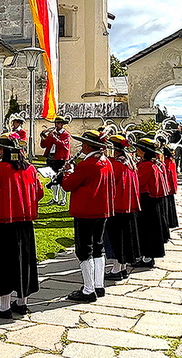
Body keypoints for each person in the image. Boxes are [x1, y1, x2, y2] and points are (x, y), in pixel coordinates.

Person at [0, 131, 43, 318]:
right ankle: (22, 302)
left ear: (3, 151)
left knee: (3, 262)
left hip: (3, 222)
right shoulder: (30, 169)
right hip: (25, 223)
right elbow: (39, 193)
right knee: (24, 261)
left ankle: (4, 307)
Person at [60, 127, 114, 303]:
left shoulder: (87, 164)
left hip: (86, 212)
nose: (82, 146)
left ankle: (88, 289)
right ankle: (99, 285)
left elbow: (68, 185)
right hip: (102, 210)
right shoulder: (106, 162)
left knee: (84, 250)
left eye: (84, 144)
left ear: (90, 147)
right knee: (98, 247)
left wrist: (68, 171)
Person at [103, 134, 141, 281]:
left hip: (118, 206)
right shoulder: (129, 164)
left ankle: (117, 268)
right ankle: (122, 267)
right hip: (129, 206)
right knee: (125, 238)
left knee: (116, 238)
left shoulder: (116, 165)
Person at [133, 139, 167, 269]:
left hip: (147, 200)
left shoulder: (147, 165)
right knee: (148, 229)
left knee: (147, 230)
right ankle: (146, 256)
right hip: (152, 200)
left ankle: (147, 257)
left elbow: (139, 182)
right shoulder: (150, 163)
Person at [40, 115, 72, 207]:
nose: (56, 125)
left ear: (62, 124)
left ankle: (63, 199)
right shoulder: (52, 133)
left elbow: (64, 146)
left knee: (61, 179)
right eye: (55, 123)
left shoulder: (66, 135)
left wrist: (54, 137)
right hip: (51, 158)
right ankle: (55, 198)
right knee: (53, 178)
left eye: (58, 123)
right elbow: (44, 145)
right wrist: (43, 137)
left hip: (61, 159)